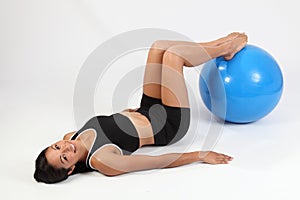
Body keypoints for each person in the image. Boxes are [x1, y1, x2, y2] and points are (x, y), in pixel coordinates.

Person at [34, 32, 248, 184]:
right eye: (64, 158)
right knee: (174, 56)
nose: (65, 148)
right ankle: (225, 48)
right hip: (169, 124)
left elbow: (108, 127)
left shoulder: (71, 136)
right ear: (71, 170)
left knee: (159, 46)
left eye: (56, 147)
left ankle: (218, 44)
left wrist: (125, 115)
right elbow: (156, 162)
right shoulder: (103, 161)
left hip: (147, 109)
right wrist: (199, 156)